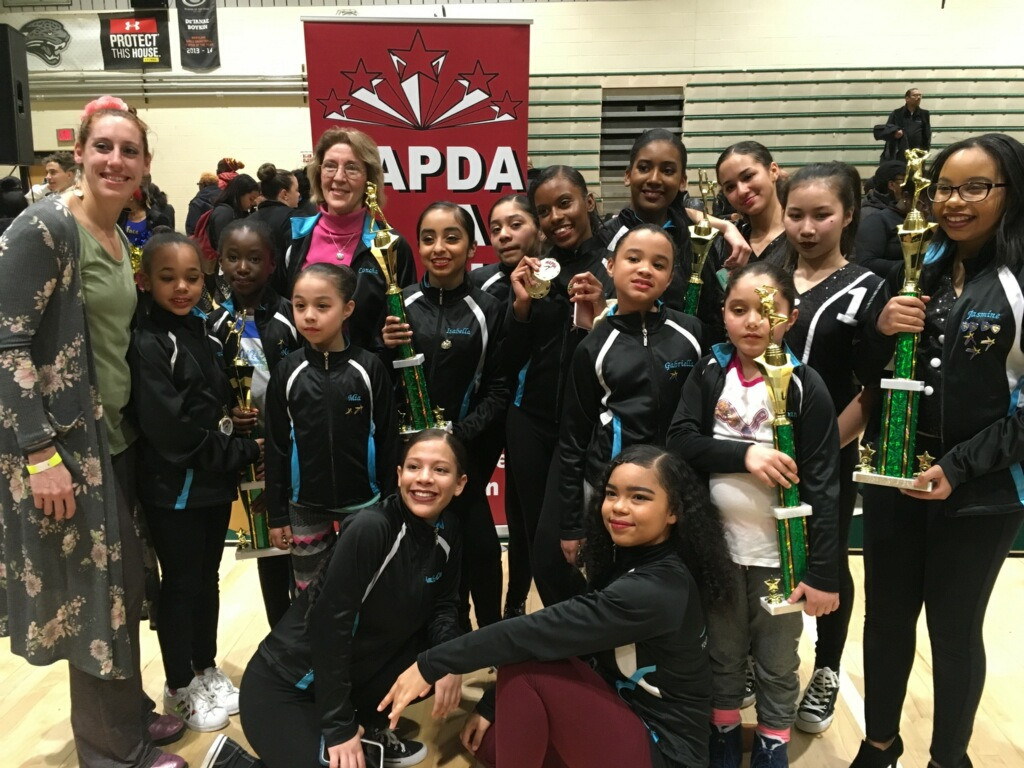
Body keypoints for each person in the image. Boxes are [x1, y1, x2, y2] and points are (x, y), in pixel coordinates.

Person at [0, 95, 186, 767]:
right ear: (77, 152)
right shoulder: (45, 227)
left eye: (129, 150)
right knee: (94, 600)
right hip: (63, 449)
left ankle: (127, 712)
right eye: (102, 146)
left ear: (144, 164)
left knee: (125, 585)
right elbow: (6, 344)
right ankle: (113, 752)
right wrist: (39, 453)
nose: (115, 159)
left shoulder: (117, 234)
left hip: (113, 441)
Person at [380, 444, 735, 768]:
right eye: (612, 493)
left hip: (664, 751)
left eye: (639, 497)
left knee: (524, 670)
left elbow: (536, 632)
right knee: (493, 743)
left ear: (673, 511)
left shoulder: (656, 588)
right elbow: (571, 641)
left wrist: (430, 664)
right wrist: (490, 704)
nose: (619, 507)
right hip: (622, 713)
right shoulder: (631, 560)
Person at [852, 133, 1024, 768]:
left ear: (1011, 192)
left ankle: (948, 758)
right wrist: (879, 331)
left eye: (976, 187)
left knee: (952, 632)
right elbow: (870, 375)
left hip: (980, 488)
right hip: (894, 477)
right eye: (945, 188)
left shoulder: (1018, 283)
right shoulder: (914, 263)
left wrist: (958, 466)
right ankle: (878, 745)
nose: (955, 202)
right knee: (885, 620)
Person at [667, 260, 841, 768]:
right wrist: (745, 455)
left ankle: (772, 741)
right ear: (723, 313)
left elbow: (825, 484)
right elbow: (680, 441)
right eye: (738, 309)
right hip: (717, 552)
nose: (752, 321)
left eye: (767, 310)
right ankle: (723, 732)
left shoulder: (807, 385)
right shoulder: (709, 372)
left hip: (780, 558)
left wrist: (823, 572)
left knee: (777, 660)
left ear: (791, 316)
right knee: (722, 652)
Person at [232, 429, 468, 768]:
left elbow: (444, 606)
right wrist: (339, 724)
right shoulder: (372, 528)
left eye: (440, 470)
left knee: (434, 657)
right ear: (399, 475)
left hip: (348, 680)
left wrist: (448, 659)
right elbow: (329, 626)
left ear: (459, 484)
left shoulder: (449, 530)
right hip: (286, 686)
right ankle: (234, 762)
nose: (425, 478)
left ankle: (367, 729)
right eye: (414, 467)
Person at [130, 232, 263, 732]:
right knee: (182, 583)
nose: (182, 287)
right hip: (176, 486)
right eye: (168, 278)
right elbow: (171, 430)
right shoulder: (148, 342)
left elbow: (209, 402)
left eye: (191, 277)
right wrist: (238, 450)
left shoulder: (204, 332)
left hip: (211, 479)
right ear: (145, 281)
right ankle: (179, 685)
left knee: (207, 577)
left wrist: (234, 418)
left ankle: (205, 668)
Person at [774, 163, 886, 734]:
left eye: (822, 214)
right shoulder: (765, 277)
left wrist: (816, 451)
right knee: (762, 555)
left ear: (848, 216)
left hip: (827, 455)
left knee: (826, 560)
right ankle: (763, 660)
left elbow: (872, 391)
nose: (807, 227)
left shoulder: (869, 288)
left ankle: (826, 668)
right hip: (760, 453)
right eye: (796, 214)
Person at [380, 202, 507, 630]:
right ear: (417, 246)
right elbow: (383, 381)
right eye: (428, 238)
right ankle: (429, 640)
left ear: (471, 248)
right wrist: (383, 346)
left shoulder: (488, 309)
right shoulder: (399, 304)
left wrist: (458, 435)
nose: (439, 248)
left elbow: (498, 388)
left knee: (482, 550)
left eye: (452, 238)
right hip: (408, 458)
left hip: (460, 454)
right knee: (415, 553)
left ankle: (491, 640)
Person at [556, 224, 704, 569]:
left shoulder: (691, 333)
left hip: (679, 491)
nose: (645, 269)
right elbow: (573, 439)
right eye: (633, 258)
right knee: (615, 586)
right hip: (614, 495)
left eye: (659, 264)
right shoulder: (592, 346)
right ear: (610, 266)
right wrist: (572, 524)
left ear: (670, 278)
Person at [503, 165, 613, 608]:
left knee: (572, 543)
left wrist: (602, 310)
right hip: (529, 419)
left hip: (585, 425)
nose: (555, 218)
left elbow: (626, 345)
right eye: (544, 211)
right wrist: (520, 307)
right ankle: (562, 630)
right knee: (537, 543)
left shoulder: (613, 264)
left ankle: (587, 628)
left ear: (588, 201)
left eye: (564, 203)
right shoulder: (535, 269)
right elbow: (511, 356)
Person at [264, 263, 398, 591]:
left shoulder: (370, 368)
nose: (309, 316)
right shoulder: (286, 372)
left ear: (347, 309)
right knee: (310, 595)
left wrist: (390, 504)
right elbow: (276, 446)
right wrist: (277, 515)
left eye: (322, 306)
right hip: (304, 505)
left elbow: (388, 440)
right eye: (300, 306)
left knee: (366, 590)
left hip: (365, 502)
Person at [207, 218, 302, 628]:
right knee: (266, 547)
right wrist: (229, 419)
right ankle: (278, 634)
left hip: (290, 452)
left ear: (272, 263)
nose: (242, 267)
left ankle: (307, 635)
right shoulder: (211, 324)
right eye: (233, 258)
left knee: (301, 546)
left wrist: (286, 451)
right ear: (220, 261)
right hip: (242, 453)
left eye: (254, 258)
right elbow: (208, 394)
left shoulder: (292, 317)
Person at [595, 128, 752, 342]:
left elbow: (713, 313)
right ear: (628, 175)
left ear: (682, 181)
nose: (654, 179)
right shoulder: (605, 238)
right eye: (644, 168)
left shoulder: (698, 238)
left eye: (667, 171)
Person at [278, 128, 416, 350]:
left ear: (369, 179)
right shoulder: (295, 238)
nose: (339, 177)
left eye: (352, 168)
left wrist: (385, 343)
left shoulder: (390, 245)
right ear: (318, 173)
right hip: (306, 368)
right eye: (330, 166)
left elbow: (407, 323)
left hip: (370, 369)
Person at [470, 195, 541, 618]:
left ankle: (516, 602)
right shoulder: (481, 282)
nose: (504, 235)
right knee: (470, 507)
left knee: (521, 516)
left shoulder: (556, 276)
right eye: (496, 228)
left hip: (530, 414)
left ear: (537, 226)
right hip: (487, 412)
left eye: (515, 224)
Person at [716, 141, 790, 265]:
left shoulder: (801, 234)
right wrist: (726, 226)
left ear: (773, 171)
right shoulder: (728, 240)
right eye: (730, 187)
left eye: (748, 177)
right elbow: (683, 212)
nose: (741, 191)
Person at [855, 159, 910, 279]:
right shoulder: (870, 215)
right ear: (891, 185)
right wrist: (912, 267)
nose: (909, 185)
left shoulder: (906, 211)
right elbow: (865, 262)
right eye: (904, 181)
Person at [249, 162, 300, 262]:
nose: (298, 194)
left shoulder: (248, 220)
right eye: (297, 190)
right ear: (284, 194)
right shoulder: (297, 220)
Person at [877, 88, 931, 162]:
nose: (918, 97)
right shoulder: (897, 113)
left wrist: (925, 152)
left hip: (917, 155)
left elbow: (927, 134)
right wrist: (894, 134)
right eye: (915, 95)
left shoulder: (924, 114)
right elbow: (887, 131)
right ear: (907, 98)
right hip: (900, 154)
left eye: (920, 95)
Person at [187, 171, 223, 235]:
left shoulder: (197, 202)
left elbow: (192, 228)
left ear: (203, 184)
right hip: (222, 238)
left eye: (199, 184)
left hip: (203, 239)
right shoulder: (224, 198)